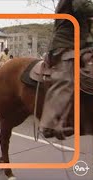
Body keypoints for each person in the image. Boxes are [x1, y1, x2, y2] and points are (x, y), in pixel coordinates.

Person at [40, 0, 93, 137]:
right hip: (65, 43)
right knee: (66, 80)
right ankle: (49, 124)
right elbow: (81, 6)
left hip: (82, 44)